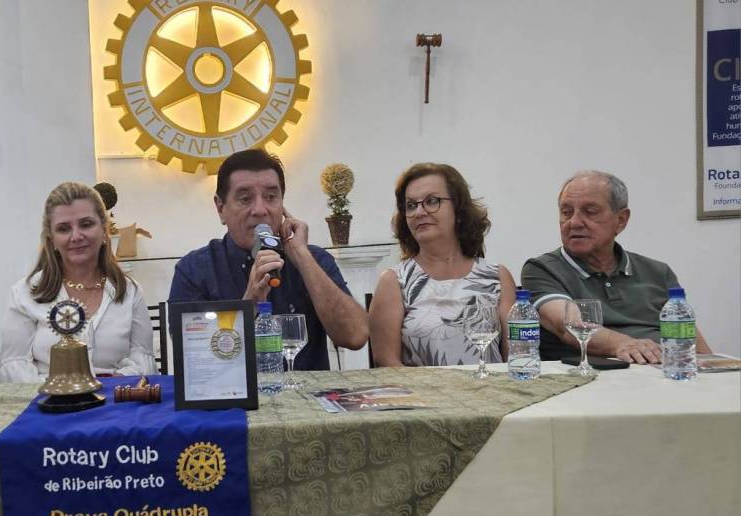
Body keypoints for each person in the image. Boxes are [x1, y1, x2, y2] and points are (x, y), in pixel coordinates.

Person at [169, 149, 368, 370]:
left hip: (305, 391)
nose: (260, 210)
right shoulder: (194, 271)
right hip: (232, 392)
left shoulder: (314, 259)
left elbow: (355, 336)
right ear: (220, 208)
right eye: (245, 199)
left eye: (271, 197)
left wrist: (302, 256)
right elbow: (193, 358)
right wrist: (249, 304)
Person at [521, 170, 711, 362]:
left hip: (665, 368)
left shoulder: (658, 272)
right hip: (595, 372)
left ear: (621, 220)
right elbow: (568, 326)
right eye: (566, 212)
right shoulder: (542, 269)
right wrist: (625, 345)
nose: (575, 222)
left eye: (590, 212)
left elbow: (694, 344)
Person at [0, 182, 155, 380]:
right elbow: (13, 366)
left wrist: (110, 386)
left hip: (115, 397)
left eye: (86, 224)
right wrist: (61, 391)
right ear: (52, 239)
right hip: (46, 397)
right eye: (64, 229)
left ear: (104, 229)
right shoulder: (24, 293)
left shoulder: (130, 291)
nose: (76, 236)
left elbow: (143, 360)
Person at [369, 163, 515, 366]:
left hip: (491, 386)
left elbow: (517, 357)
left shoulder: (497, 276)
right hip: (421, 388)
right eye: (411, 205)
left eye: (431, 201)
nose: (419, 212)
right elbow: (387, 364)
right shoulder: (394, 282)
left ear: (458, 208)